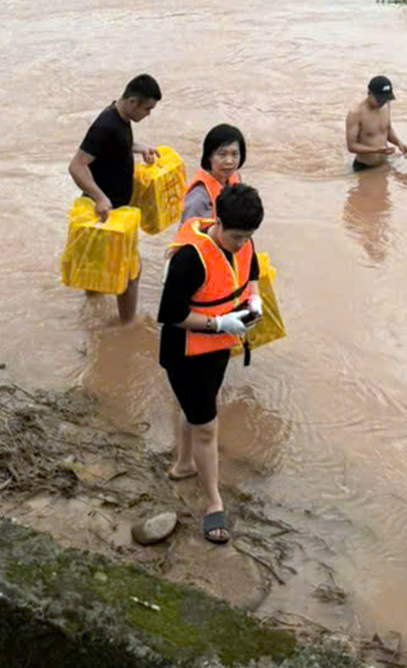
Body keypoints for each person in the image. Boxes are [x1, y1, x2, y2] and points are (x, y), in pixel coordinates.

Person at [158, 183, 264, 545]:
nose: (241, 243)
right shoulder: (191, 258)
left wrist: (255, 300)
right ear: (218, 221)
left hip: (218, 347)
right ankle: (213, 502)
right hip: (185, 353)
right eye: (236, 236)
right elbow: (170, 314)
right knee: (206, 425)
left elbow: (251, 273)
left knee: (195, 408)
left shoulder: (244, 239)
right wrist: (218, 323)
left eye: (247, 237)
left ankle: (184, 464)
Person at [68, 74, 161, 323]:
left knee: (96, 263)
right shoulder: (106, 124)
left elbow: (116, 144)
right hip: (106, 210)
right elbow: (77, 166)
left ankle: (92, 314)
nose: (149, 114)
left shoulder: (119, 118)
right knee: (132, 272)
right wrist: (99, 197)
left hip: (113, 211)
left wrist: (140, 147)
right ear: (132, 101)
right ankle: (127, 327)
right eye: (147, 108)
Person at [181, 123, 246, 225]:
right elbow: (185, 236)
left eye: (234, 154)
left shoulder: (234, 178)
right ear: (209, 156)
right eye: (222, 154)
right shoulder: (198, 198)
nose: (229, 161)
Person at [346, 75, 407, 171]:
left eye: (385, 99)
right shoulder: (356, 113)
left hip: (384, 163)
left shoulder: (386, 105)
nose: (382, 102)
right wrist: (376, 150)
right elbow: (351, 146)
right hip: (364, 167)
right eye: (379, 99)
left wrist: (399, 143)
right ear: (369, 93)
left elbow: (387, 129)